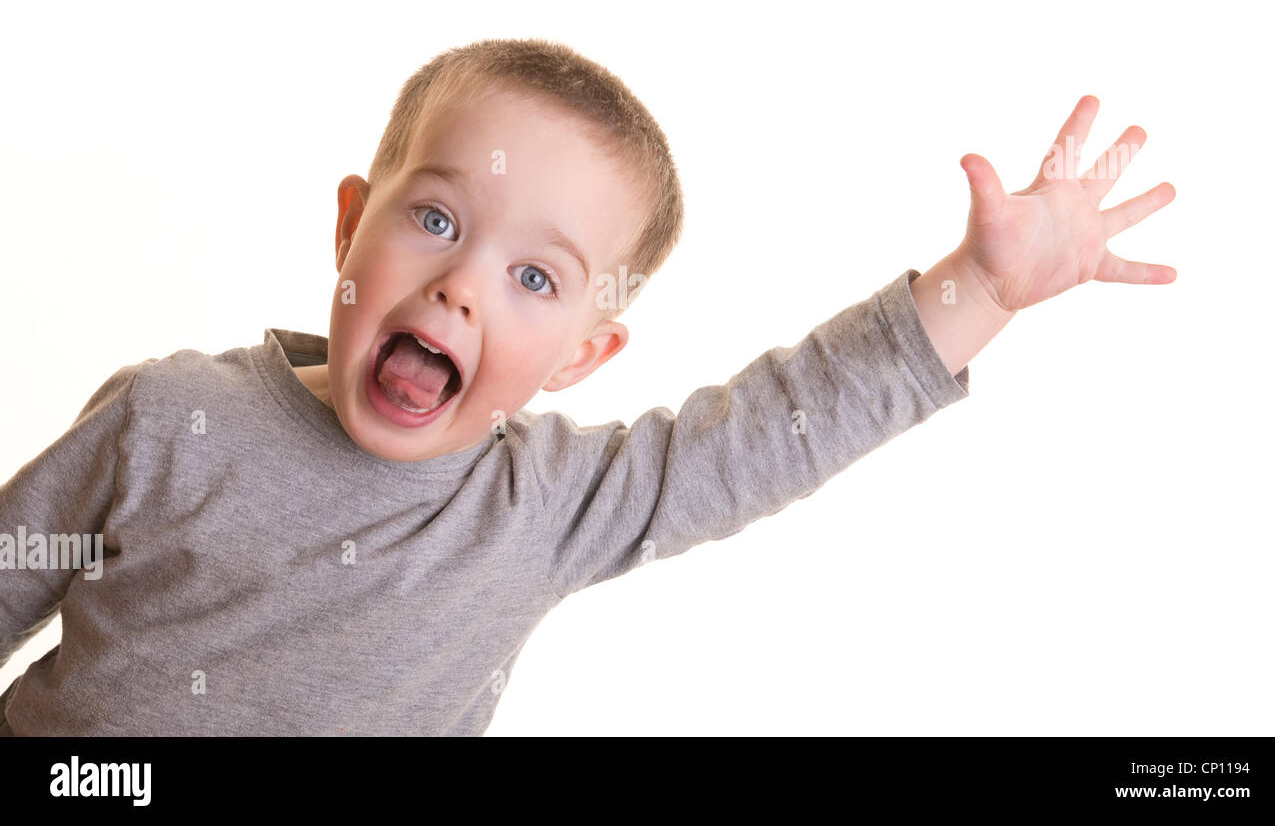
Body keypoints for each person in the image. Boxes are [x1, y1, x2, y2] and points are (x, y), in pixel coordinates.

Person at [0, 38, 1176, 735]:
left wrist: (980, 285)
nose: (461, 285)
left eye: (532, 276)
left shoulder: (549, 506)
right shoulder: (170, 415)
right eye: (435, 218)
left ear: (580, 355)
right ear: (352, 226)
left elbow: (771, 428)